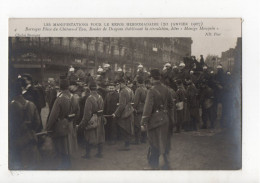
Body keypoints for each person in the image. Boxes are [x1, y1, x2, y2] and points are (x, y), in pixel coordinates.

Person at [141, 68, 174, 170]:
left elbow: (147, 108)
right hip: (165, 119)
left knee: (154, 142)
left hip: (154, 121)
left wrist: (143, 122)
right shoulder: (167, 89)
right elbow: (171, 105)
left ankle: (153, 165)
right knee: (164, 142)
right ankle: (166, 164)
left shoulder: (151, 91)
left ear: (152, 78)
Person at [9, 79, 42, 169]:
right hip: (31, 139)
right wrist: (30, 130)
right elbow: (37, 123)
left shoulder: (10, 106)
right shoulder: (31, 104)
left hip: (17, 142)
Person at [46, 76, 73, 169]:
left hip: (60, 124)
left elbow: (53, 115)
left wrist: (48, 127)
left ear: (60, 86)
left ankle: (63, 165)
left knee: (60, 146)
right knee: (67, 145)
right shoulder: (71, 96)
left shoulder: (60, 98)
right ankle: (68, 162)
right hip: (68, 123)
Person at [77, 80, 106, 158]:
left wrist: (82, 124)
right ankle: (100, 153)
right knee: (100, 135)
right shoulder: (100, 97)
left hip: (92, 119)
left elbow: (87, 114)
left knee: (88, 135)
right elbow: (102, 109)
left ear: (89, 89)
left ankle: (88, 154)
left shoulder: (89, 99)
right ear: (96, 88)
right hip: (99, 118)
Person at [112, 76, 135, 151]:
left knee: (124, 127)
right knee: (129, 126)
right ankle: (127, 144)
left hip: (125, 111)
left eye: (118, 84)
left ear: (121, 83)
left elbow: (122, 105)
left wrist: (115, 113)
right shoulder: (130, 89)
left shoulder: (122, 91)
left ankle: (126, 145)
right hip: (130, 109)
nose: (117, 86)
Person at [133, 76, 147, 144]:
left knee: (137, 124)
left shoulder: (138, 89)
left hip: (139, 108)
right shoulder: (145, 88)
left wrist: (134, 108)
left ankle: (137, 140)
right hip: (145, 107)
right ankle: (144, 139)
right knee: (144, 123)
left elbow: (136, 101)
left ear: (138, 82)